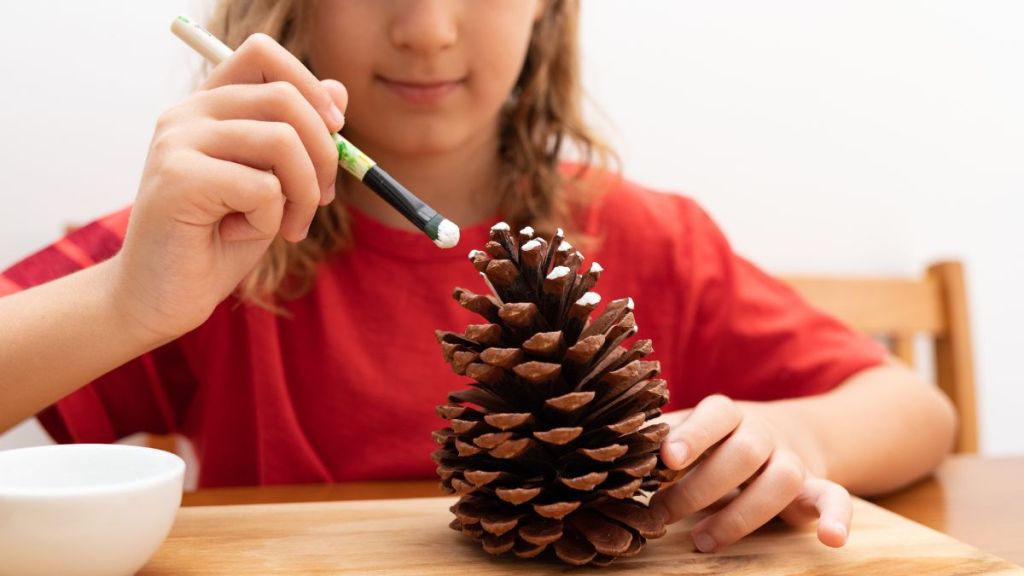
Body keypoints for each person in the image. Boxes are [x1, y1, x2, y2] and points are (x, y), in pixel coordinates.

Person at [0, 0, 954, 554]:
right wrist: (127, 302)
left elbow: (916, 411)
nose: (425, 28)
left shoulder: (650, 239)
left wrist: (793, 435)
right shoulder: (210, 236)